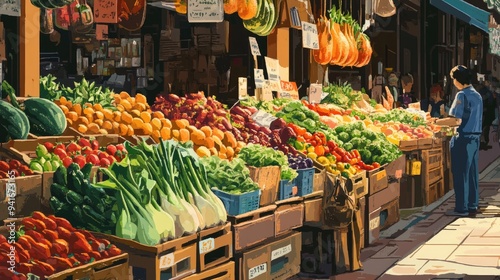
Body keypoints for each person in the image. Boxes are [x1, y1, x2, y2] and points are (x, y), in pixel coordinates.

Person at [437, 65, 482, 217]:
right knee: (472, 173)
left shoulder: (461, 95)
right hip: (475, 138)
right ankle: (472, 204)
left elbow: (456, 120)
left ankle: (461, 207)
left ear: (458, 80)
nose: (453, 82)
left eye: (453, 79)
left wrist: (436, 122)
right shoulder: (477, 95)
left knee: (460, 173)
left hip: (462, 138)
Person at [478, 80, 495, 150]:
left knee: (483, 127)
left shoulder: (483, 92)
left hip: (484, 111)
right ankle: (484, 141)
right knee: (485, 127)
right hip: (487, 111)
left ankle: (483, 142)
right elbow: (490, 102)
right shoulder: (487, 92)